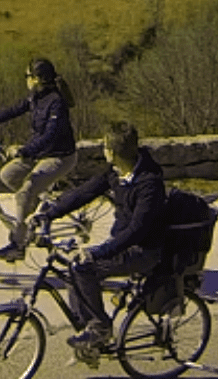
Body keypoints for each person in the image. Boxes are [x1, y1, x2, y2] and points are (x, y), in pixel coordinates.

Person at [38, 120, 171, 353]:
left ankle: (100, 328)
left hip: (144, 250)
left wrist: (97, 252)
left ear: (112, 152)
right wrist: (50, 214)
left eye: (105, 147)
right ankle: (89, 335)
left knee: (84, 268)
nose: (103, 150)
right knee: (73, 270)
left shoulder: (149, 184)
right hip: (123, 243)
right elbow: (85, 192)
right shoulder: (117, 173)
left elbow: (136, 231)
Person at [0, 58, 78, 262]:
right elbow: (12, 111)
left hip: (59, 156)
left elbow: (51, 135)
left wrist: (24, 150)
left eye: (27, 76)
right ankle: (38, 211)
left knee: (25, 192)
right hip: (38, 153)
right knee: (7, 175)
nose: (25, 80)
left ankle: (17, 245)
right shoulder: (35, 97)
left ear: (37, 79)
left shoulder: (56, 102)